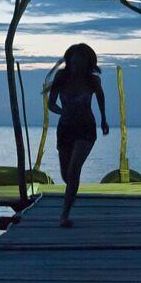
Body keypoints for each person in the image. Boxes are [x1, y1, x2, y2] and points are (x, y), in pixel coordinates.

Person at [48, 43, 109, 227]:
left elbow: (100, 98)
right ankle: (72, 193)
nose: (78, 65)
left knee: (74, 169)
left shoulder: (93, 81)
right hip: (65, 129)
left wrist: (104, 120)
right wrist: (62, 112)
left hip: (86, 128)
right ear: (70, 61)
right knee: (67, 175)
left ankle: (64, 215)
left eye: (82, 61)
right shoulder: (61, 77)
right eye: (75, 61)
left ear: (88, 63)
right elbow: (51, 104)